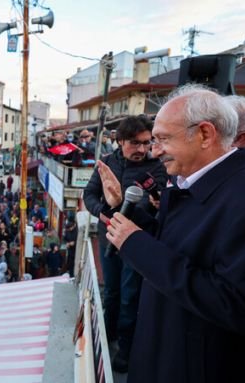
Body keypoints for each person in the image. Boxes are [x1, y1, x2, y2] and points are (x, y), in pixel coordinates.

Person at [103, 84, 245, 382]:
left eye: (163, 139)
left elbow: (239, 306)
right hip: (166, 350)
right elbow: (182, 244)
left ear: (205, 134)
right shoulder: (189, 180)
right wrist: (133, 216)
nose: (154, 151)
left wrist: (137, 245)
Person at [84, 114, 167, 373]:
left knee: (131, 295)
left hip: (138, 240)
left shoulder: (158, 166)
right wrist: (102, 211)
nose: (142, 149)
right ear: (120, 141)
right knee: (112, 291)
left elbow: (163, 205)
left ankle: (126, 347)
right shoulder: (107, 163)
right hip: (109, 235)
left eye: (146, 142)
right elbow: (89, 194)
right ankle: (107, 335)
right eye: (135, 143)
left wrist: (158, 203)